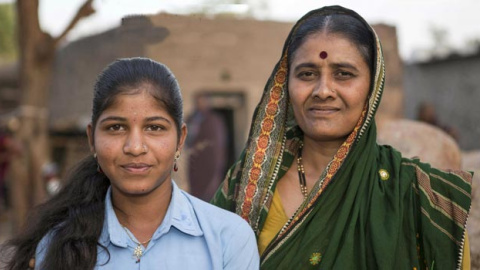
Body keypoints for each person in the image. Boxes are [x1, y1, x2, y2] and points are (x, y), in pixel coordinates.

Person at [212, 6, 472, 269]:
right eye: (307, 74)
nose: (323, 90)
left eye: (343, 74)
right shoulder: (246, 184)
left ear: (372, 85)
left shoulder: (419, 197)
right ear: (285, 84)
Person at [2, 58, 259, 270]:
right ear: (92, 139)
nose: (135, 147)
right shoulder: (57, 244)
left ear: (180, 140)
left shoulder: (229, 238)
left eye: (155, 127)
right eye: (116, 127)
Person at [186, 93, 227, 201]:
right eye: (198, 101)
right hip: (196, 160)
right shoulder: (192, 119)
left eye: (203, 101)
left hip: (210, 159)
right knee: (196, 187)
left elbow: (217, 141)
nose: (200, 104)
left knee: (210, 188)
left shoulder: (214, 120)